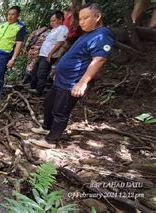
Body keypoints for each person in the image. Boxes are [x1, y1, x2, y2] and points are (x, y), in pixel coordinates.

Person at [31, 3, 114, 146]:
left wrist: (82, 82)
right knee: (48, 103)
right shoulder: (87, 34)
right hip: (61, 80)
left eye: (85, 18)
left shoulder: (102, 35)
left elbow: (99, 60)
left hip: (72, 82)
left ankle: (51, 141)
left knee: (60, 111)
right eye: (80, 19)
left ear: (97, 16)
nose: (81, 22)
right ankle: (46, 128)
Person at [29, 11, 68, 96]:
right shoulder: (54, 29)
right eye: (51, 21)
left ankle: (39, 91)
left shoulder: (63, 29)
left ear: (60, 19)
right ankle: (32, 87)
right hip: (42, 54)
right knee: (35, 71)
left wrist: (50, 54)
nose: (51, 23)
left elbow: (60, 43)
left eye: (54, 21)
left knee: (42, 73)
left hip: (48, 55)